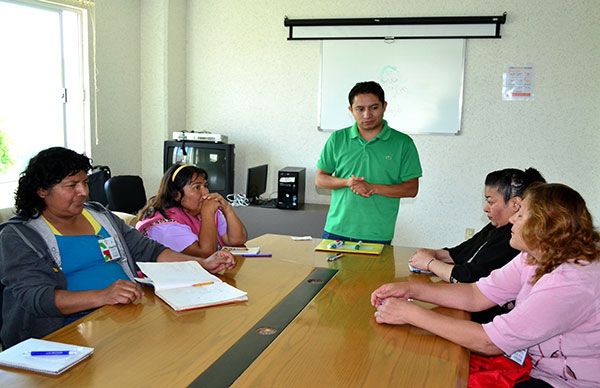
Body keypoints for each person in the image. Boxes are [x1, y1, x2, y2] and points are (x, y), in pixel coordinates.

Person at [0, 147, 236, 348]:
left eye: (84, 182)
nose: (83, 191)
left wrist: (201, 265)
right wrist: (103, 296)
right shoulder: (20, 235)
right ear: (42, 190)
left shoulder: (100, 216)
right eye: (72, 185)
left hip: (124, 315)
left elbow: (150, 251)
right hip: (61, 334)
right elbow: (37, 298)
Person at [371, 183, 600, 387]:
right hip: (536, 366)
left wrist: (411, 313)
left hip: (566, 382)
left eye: (520, 215)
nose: (511, 219)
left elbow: (489, 342)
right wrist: (412, 290)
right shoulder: (535, 254)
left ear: (543, 226)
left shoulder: (570, 283)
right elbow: (476, 294)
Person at [409, 168, 545, 322]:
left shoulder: (513, 241)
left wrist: (429, 263)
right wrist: (431, 254)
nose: (485, 207)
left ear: (515, 204)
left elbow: (469, 279)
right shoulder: (498, 227)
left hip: (488, 318)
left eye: (491, 201)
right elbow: (461, 254)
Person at [315, 81, 422, 245]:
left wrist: (372, 187)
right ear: (351, 110)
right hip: (336, 230)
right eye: (360, 109)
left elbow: (411, 188)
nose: (367, 115)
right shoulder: (337, 139)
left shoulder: (403, 143)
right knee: (329, 272)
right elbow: (320, 179)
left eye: (374, 107)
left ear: (384, 106)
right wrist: (347, 182)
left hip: (377, 234)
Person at [136, 163, 247, 257]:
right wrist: (207, 214)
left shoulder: (201, 210)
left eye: (205, 186)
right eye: (197, 187)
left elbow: (237, 241)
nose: (205, 193)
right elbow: (205, 253)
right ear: (176, 194)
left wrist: (227, 208)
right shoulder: (165, 226)